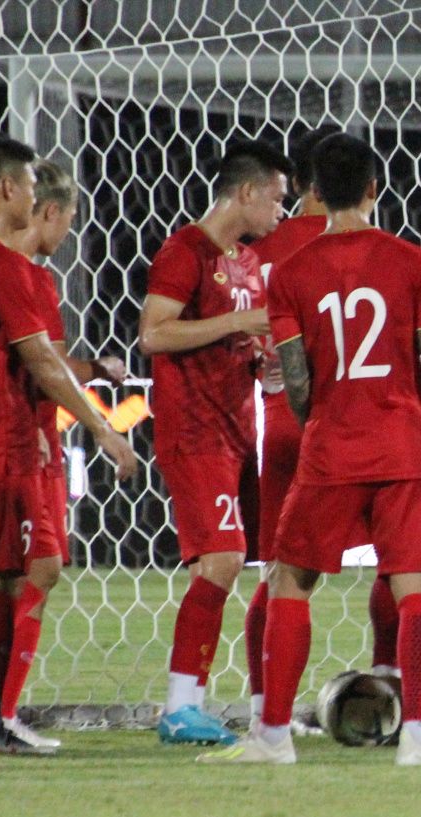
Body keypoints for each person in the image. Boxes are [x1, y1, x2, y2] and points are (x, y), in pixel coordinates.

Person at [201, 133, 421, 767]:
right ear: (374, 189)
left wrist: (319, 422)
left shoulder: (290, 274)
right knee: (415, 586)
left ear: (314, 193)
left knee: (289, 581)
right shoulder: (413, 262)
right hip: (401, 445)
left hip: (331, 447)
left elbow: (295, 380)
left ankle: (274, 736)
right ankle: (417, 740)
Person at [0, 132, 138, 754]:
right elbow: (44, 364)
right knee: (9, 580)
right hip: (3, 447)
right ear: (6, 190)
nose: (31, 189)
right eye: (25, 181)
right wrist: (105, 427)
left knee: (9, 575)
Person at [139, 137, 290, 746]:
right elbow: (153, 335)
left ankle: (245, 704)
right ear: (246, 193)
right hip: (194, 431)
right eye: (276, 199)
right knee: (223, 560)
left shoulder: (247, 263)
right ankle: (180, 706)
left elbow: (240, 338)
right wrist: (238, 323)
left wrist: (262, 361)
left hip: (237, 430)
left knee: (245, 560)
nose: (281, 212)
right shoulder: (185, 252)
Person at [242, 125, 363, 730]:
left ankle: (270, 710)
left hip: (283, 423)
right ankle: (393, 689)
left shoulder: (260, 248)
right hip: (360, 427)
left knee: (281, 575)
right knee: (403, 569)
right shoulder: (372, 245)